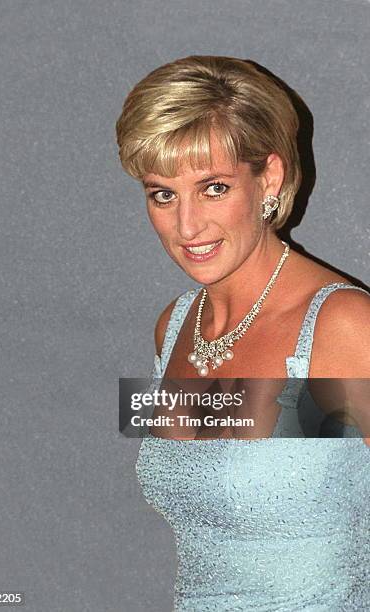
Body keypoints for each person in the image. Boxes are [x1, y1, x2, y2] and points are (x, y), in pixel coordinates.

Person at [116, 56, 370, 610]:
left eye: (213, 188)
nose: (187, 227)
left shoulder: (342, 327)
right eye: (163, 194)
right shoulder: (175, 327)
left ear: (270, 178)